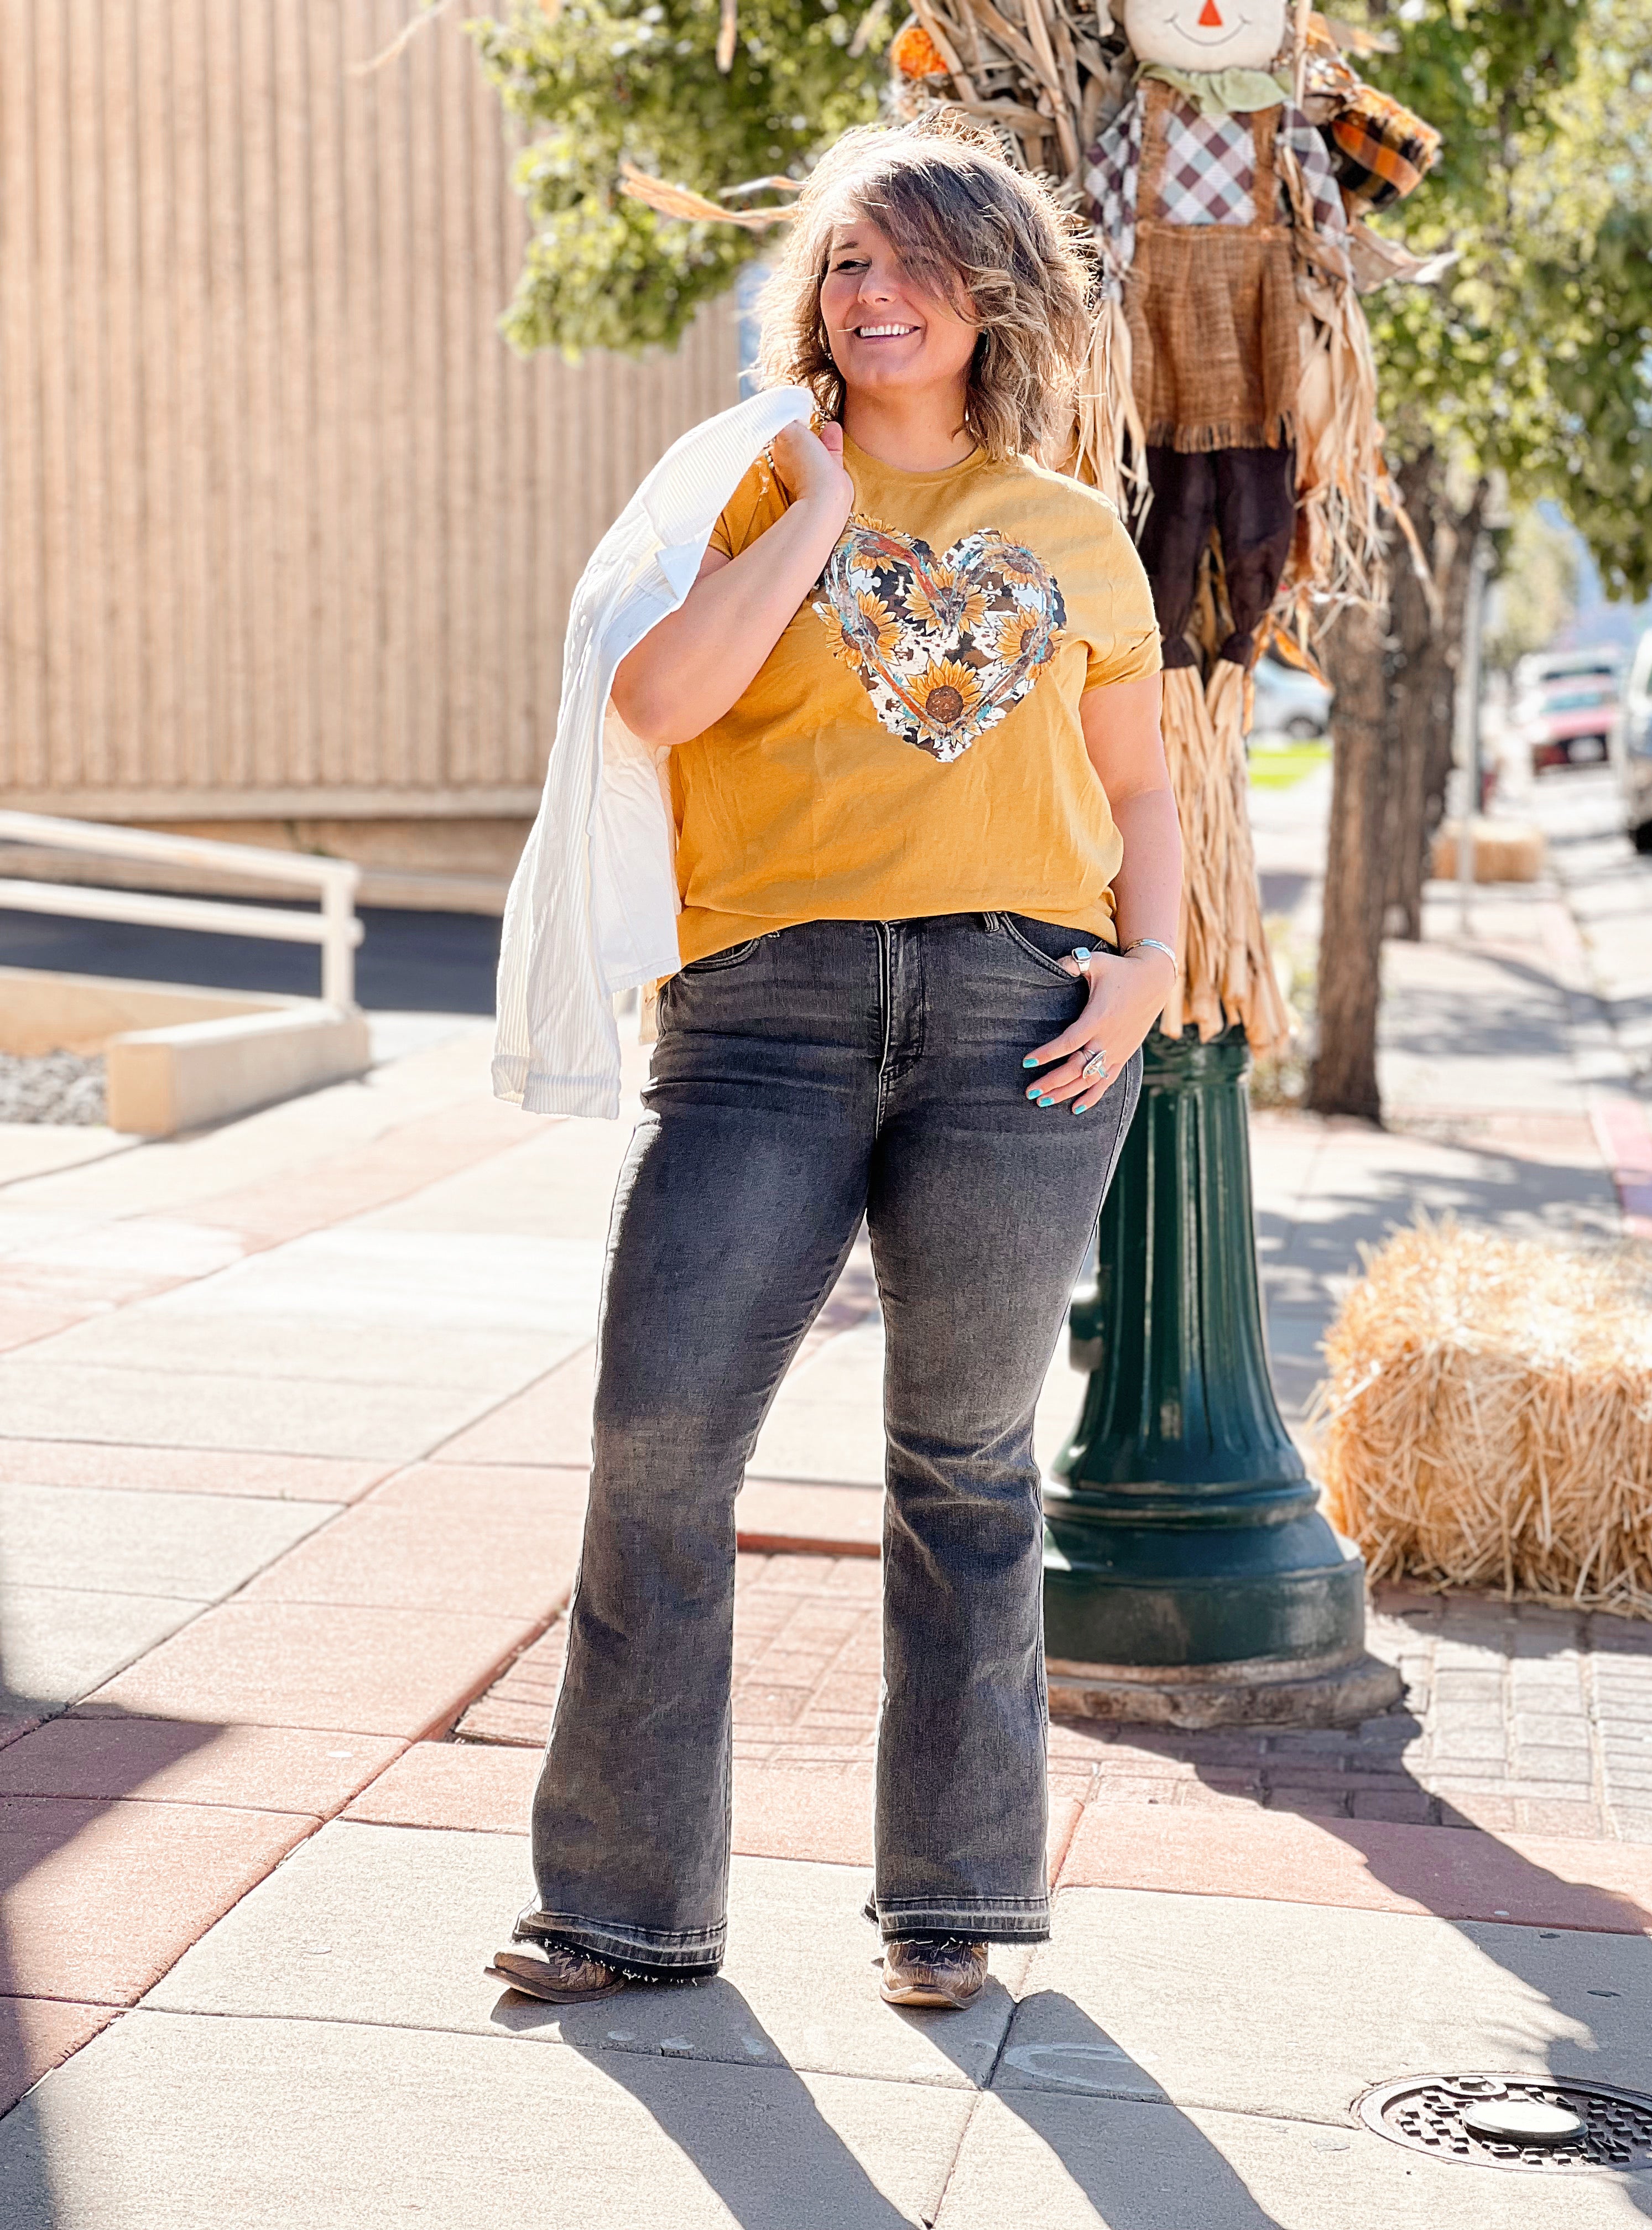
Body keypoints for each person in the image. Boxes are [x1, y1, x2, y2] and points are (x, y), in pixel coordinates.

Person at [489, 113, 1182, 2015]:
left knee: (964, 1462)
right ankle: (623, 1906)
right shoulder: (739, 488)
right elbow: (658, 701)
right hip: (761, 1022)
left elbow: (1140, 783)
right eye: (846, 266)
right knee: (659, 1440)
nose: (871, 296)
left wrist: (1153, 967)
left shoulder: (1070, 528)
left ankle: (948, 1903)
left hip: (1018, 1019)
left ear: (988, 299)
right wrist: (810, 512)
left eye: (912, 266)